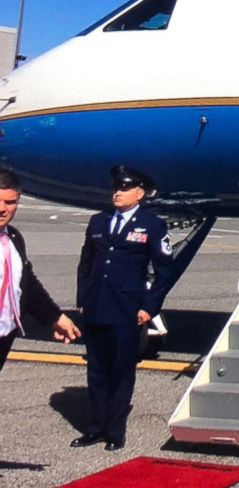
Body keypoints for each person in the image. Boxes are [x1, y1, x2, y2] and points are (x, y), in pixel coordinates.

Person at [71, 165, 173, 452]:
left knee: (121, 372)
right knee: (97, 370)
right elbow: (86, 264)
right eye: (116, 187)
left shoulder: (152, 225)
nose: (118, 192)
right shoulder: (98, 222)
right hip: (96, 307)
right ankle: (95, 428)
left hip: (127, 310)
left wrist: (149, 308)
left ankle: (115, 431)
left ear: (140, 193)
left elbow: (165, 270)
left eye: (125, 188)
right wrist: (83, 300)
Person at [0, 169, 81, 371]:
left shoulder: (13, 239)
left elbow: (26, 285)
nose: (2, 209)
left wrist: (55, 318)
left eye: (10, 202)